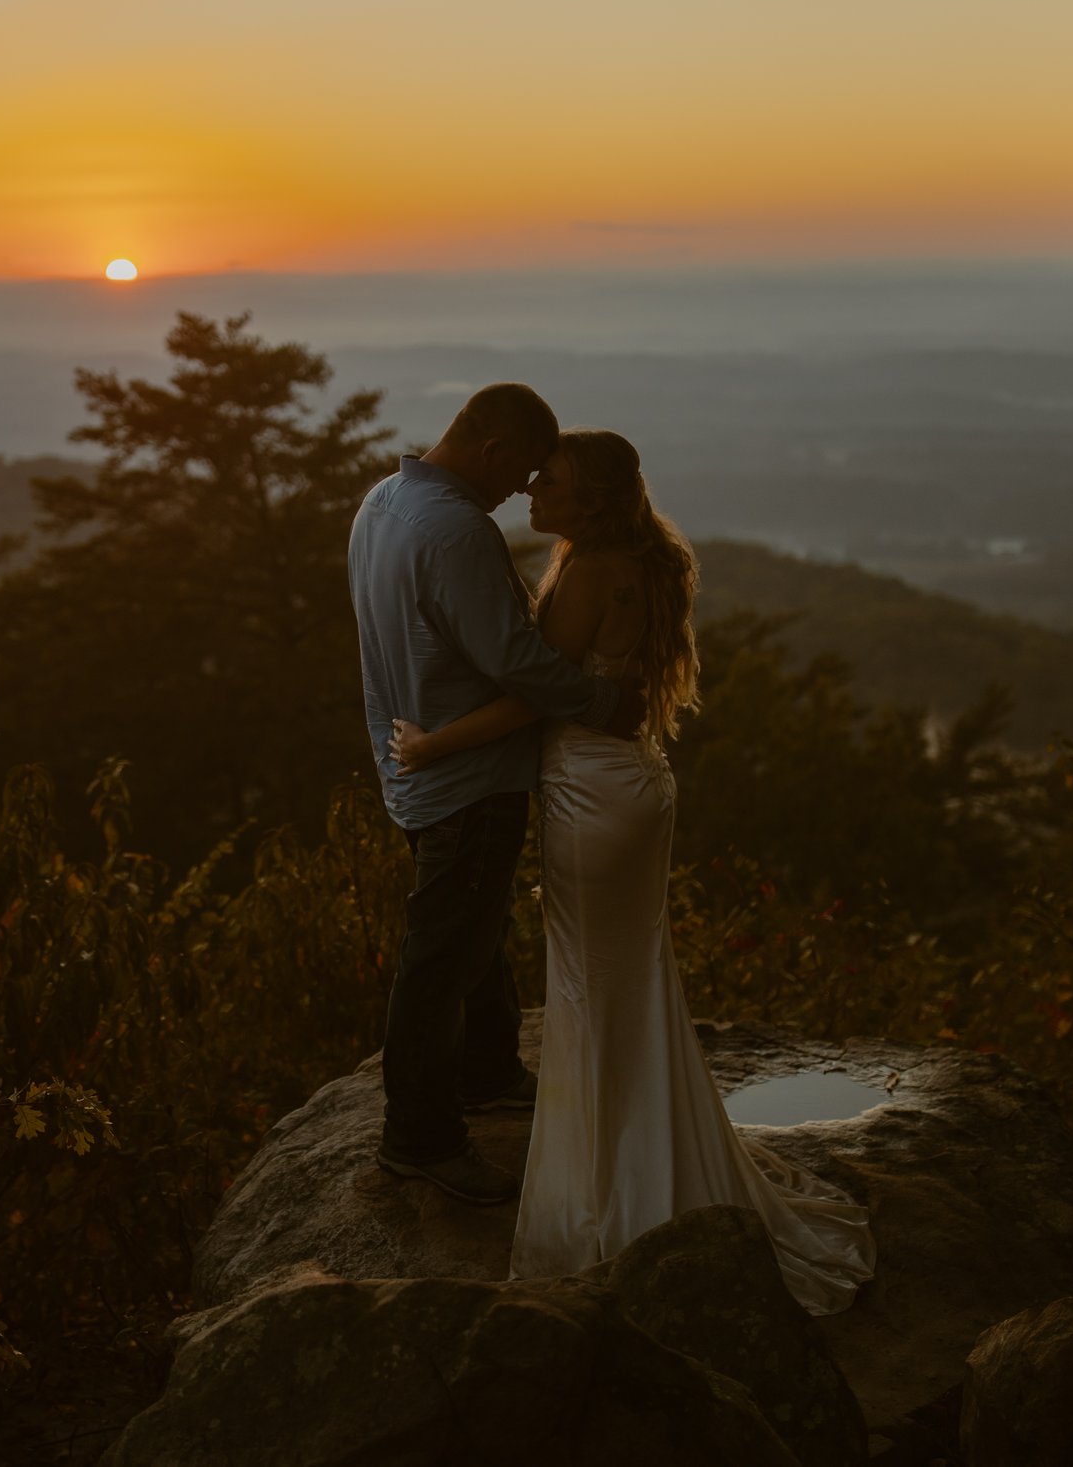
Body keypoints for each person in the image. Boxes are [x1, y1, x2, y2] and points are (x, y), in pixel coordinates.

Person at [388, 427, 874, 1314]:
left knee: (590, 987)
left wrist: (435, 742)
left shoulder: (588, 571)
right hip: (637, 782)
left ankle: (611, 1193)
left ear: (591, 498)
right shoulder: (643, 559)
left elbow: (537, 689)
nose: (532, 493)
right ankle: (650, 1150)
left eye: (552, 484)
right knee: (629, 978)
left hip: (592, 794)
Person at [348, 385, 647, 1207]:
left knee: (472, 929)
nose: (522, 489)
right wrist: (603, 703)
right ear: (489, 449)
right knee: (440, 956)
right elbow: (517, 660)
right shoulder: (456, 531)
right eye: (520, 471)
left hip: (411, 761)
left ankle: (485, 1070)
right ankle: (420, 1138)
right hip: (465, 777)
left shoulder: (383, 501)